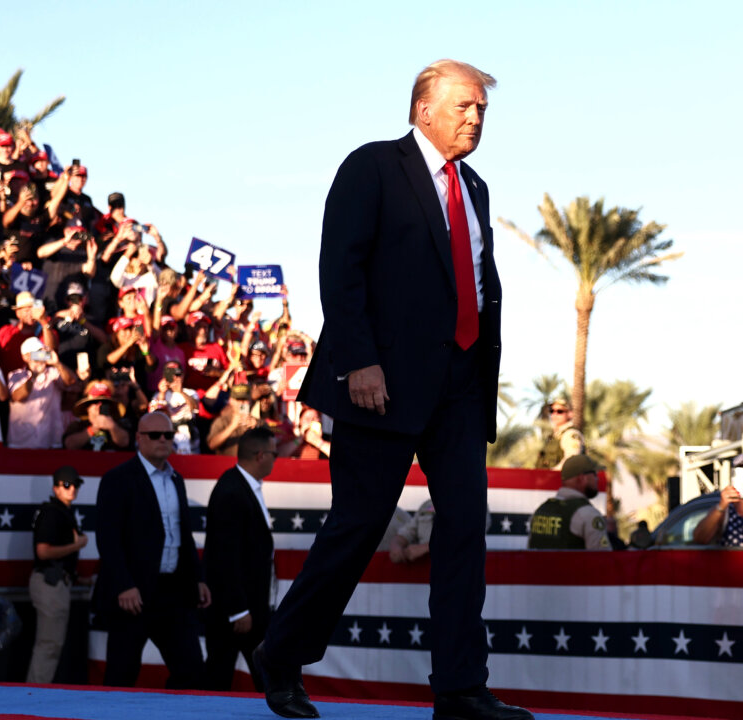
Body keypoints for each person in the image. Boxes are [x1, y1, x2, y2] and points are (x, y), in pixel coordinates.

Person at [253, 60, 531, 720]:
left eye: (482, 109)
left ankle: (460, 688)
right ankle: (280, 654)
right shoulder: (373, 166)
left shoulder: (477, 188)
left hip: (460, 389)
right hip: (379, 384)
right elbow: (339, 268)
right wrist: (358, 363)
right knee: (358, 527)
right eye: (465, 105)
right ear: (424, 108)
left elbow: (476, 283)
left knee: (463, 529)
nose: (476, 116)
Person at [94, 411, 211, 689]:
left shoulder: (176, 480)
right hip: (133, 594)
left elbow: (183, 535)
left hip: (173, 592)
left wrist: (198, 579)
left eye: (168, 435)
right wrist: (123, 585)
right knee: (121, 675)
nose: (162, 440)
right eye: (154, 435)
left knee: (192, 670)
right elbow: (108, 538)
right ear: (138, 439)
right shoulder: (118, 479)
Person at [204, 427, 277, 692]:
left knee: (253, 675)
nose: (275, 458)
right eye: (274, 453)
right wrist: (238, 609)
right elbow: (225, 555)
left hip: (251, 607)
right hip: (237, 611)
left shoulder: (244, 486)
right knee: (220, 675)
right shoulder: (232, 492)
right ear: (260, 455)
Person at [27, 465, 88, 684]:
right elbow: (43, 552)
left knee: (52, 643)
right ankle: (34, 694)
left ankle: (37, 691)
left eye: (75, 485)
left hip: (58, 581)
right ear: (56, 488)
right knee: (48, 644)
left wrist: (76, 575)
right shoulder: (52, 513)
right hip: (49, 582)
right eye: (66, 485)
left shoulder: (62, 512)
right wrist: (76, 545)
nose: (71, 489)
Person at [528, 454, 610, 550]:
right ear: (582, 478)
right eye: (594, 474)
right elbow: (603, 560)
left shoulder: (541, 510)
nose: (597, 478)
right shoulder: (588, 514)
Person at [535, 396, 586, 469]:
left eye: (559, 411)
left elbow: (572, 461)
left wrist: (551, 475)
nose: (554, 414)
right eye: (552, 411)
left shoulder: (571, 434)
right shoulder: (553, 436)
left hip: (560, 479)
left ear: (570, 414)